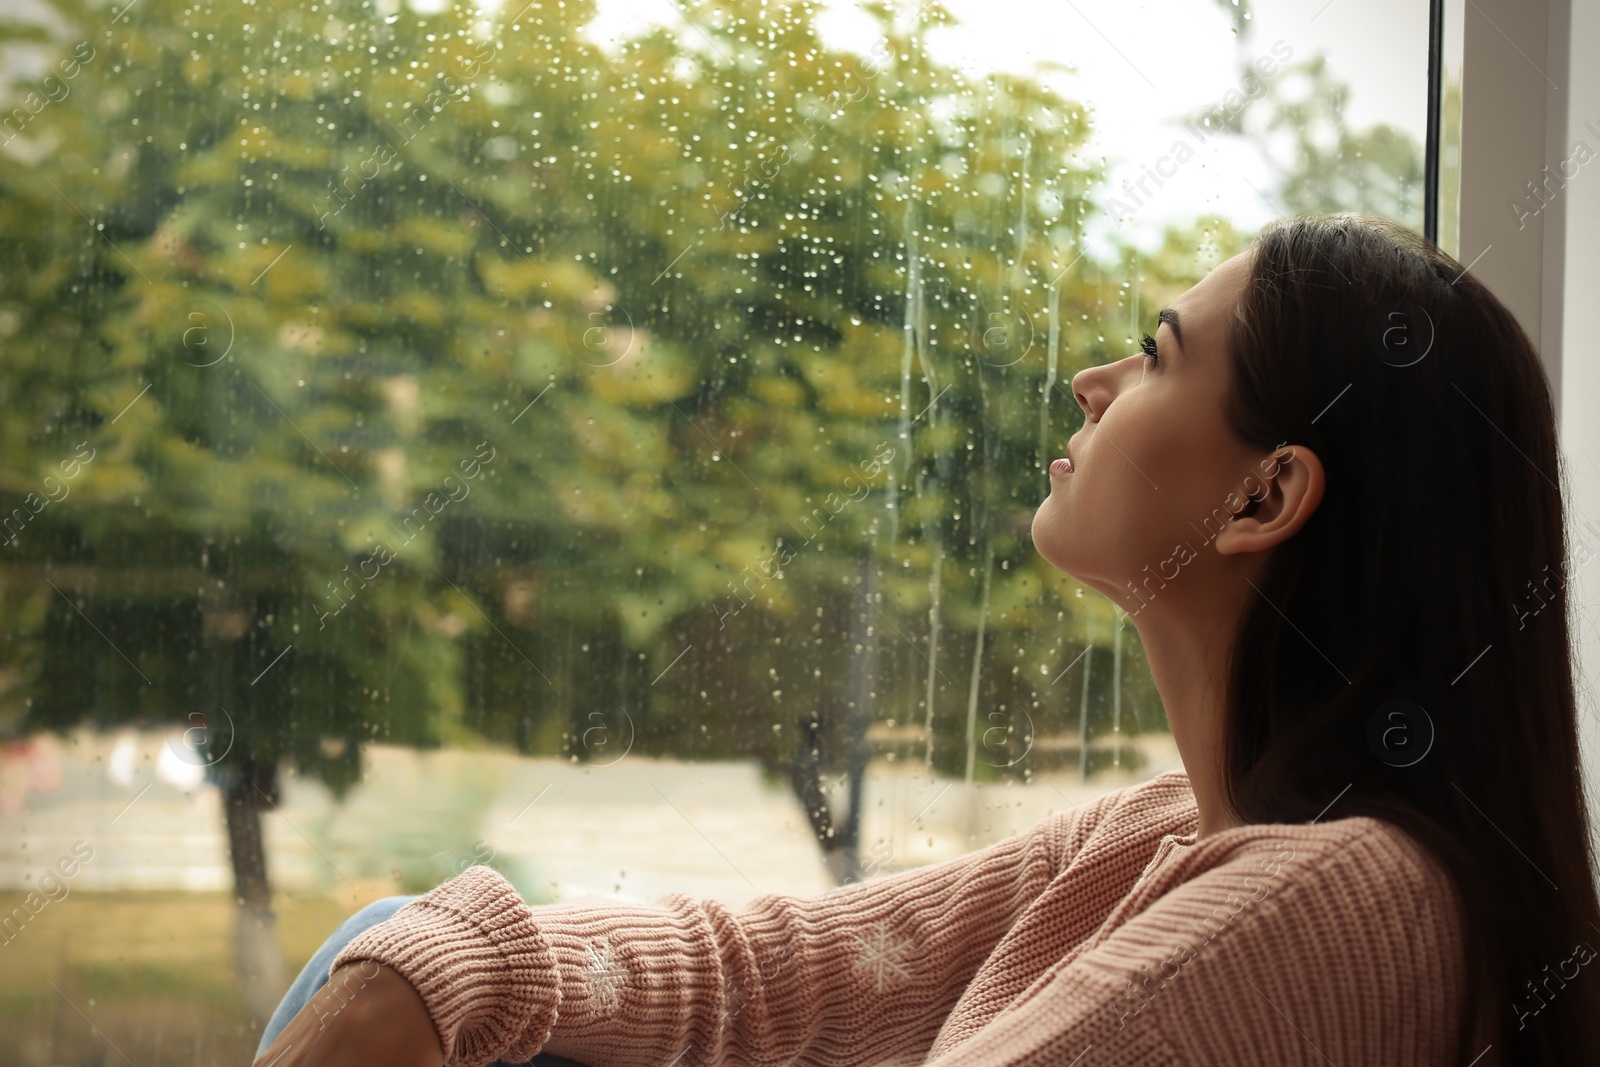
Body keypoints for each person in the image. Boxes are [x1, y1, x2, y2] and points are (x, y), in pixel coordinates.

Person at [253, 213, 1600, 1066]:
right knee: (414, 944)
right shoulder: (1161, 838)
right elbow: (794, 981)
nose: (1094, 380)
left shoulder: (1345, 899)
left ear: (1261, 498)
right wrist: (462, 961)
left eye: (1157, 353)